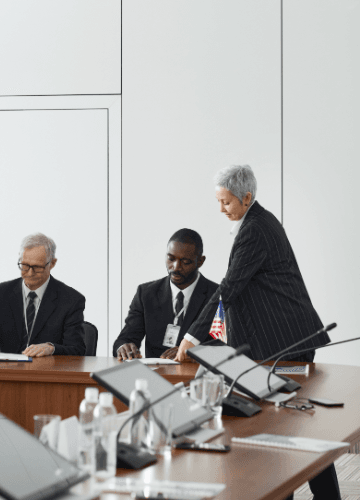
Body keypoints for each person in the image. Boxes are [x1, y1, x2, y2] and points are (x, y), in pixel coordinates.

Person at [175, 165, 338, 500]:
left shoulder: (255, 228)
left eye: (226, 202)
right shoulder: (254, 221)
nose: (221, 209)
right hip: (275, 339)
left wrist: (192, 336)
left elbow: (230, 287)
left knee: (290, 430)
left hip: (287, 340)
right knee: (286, 430)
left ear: (246, 197)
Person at [113, 229, 218, 360]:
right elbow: (126, 338)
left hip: (198, 376)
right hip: (156, 375)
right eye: (171, 259)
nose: (175, 267)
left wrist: (194, 352)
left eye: (185, 262)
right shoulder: (146, 293)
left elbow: (226, 346)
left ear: (200, 261)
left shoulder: (217, 295)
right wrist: (123, 347)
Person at [0, 233, 86, 357]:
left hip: (46, 372)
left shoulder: (71, 300)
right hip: (8, 372)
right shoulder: (1, 293)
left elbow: (77, 350)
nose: (30, 273)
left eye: (37, 267)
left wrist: (52, 348)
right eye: (24, 265)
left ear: (52, 263)